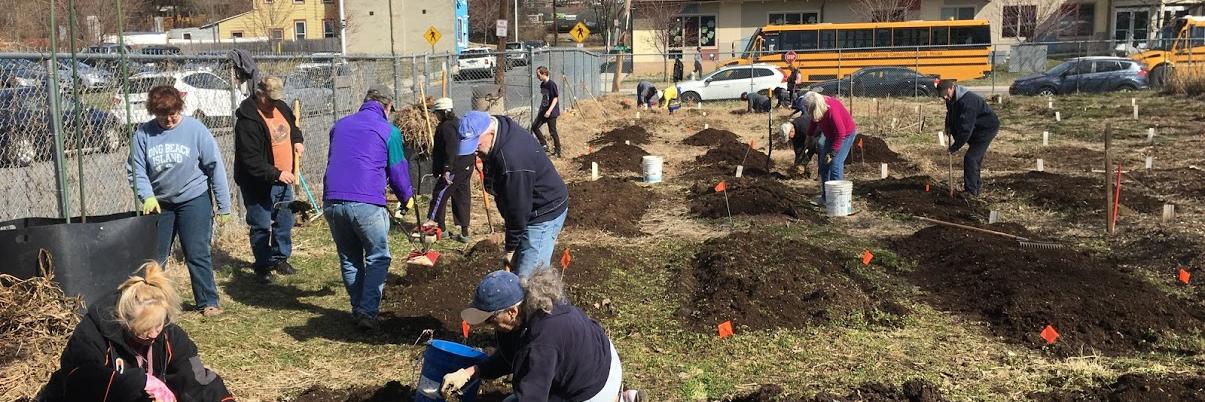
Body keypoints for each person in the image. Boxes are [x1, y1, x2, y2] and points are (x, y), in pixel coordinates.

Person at [41, 261, 235, 402]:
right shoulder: (94, 333)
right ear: (125, 320)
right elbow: (79, 378)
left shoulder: (170, 336)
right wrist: (140, 381)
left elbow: (196, 378)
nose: (153, 334)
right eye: (144, 329)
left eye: (157, 325)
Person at [440, 269, 643, 402]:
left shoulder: (541, 342)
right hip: (597, 355)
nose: (486, 325)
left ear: (511, 312)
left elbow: (532, 397)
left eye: (490, 319)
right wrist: (470, 372)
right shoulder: (531, 308)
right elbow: (509, 356)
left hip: (594, 384)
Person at [127, 85, 231, 317]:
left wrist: (224, 205)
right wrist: (147, 196)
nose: (169, 119)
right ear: (154, 112)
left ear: (179, 109)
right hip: (159, 203)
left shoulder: (195, 130)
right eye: (163, 115)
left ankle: (208, 301)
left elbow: (215, 167)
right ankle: (154, 306)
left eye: (173, 114)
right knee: (155, 257)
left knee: (197, 251)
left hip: (194, 198)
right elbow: (136, 170)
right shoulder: (144, 134)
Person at [323, 86, 415, 330]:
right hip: (365, 202)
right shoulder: (389, 130)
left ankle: (357, 308)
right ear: (386, 107)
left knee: (350, 257)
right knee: (378, 256)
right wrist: (407, 197)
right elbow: (397, 170)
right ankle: (368, 312)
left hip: (332, 200)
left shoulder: (339, 126)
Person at [455, 111, 568, 278]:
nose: (474, 153)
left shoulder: (512, 161)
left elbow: (518, 209)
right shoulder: (500, 128)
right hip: (526, 207)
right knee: (521, 267)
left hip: (544, 212)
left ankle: (536, 302)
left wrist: (511, 248)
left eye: (476, 146)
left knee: (528, 279)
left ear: (490, 133)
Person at [233, 76, 304, 284]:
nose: (274, 103)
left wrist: (298, 141)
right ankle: (263, 265)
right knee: (261, 224)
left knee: (284, 221)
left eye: (277, 99)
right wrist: (277, 173)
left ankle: (280, 258)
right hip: (258, 182)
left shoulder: (280, 107)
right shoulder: (247, 121)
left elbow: (294, 128)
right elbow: (251, 160)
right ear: (260, 94)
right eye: (270, 99)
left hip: (284, 179)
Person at [424, 97, 473, 243]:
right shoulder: (458, 123)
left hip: (454, 167)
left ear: (444, 112)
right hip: (465, 165)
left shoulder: (447, 127)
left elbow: (451, 148)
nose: (436, 116)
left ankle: (432, 227)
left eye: (437, 113)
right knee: (461, 196)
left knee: (439, 195)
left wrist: (446, 169)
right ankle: (464, 233)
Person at [940, 79, 999, 196]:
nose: (945, 97)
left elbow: (966, 130)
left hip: (985, 129)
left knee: (971, 158)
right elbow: (950, 113)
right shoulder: (951, 98)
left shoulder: (968, 102)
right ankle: (976, 188)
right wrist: (948, 127)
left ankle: (971, 192)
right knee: (974, 159)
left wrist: (953, 148)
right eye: (943, 96)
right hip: (975, 127)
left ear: (952, 88)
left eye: (947, 94)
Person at [800, 91, 858, 203]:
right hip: (831, 136)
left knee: (835, 164)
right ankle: (826, 197)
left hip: (846, 135)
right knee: (823, 165)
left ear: (814, 106)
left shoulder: (831, 111)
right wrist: (809, 136)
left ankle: (838, 201)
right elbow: (814, 121)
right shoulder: (817, 110)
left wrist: (832, 153)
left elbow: (841, 133)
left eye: (808, 108)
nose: (807, 110)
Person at [531, 66, 562, 158]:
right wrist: (541, 109)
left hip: (551, 112)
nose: (537, 77)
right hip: (543, 111)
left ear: (544, 74)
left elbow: (555, 99)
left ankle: (558, 150)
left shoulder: (551, 84)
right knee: (535, 126)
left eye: (538, 74)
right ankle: (544, 144)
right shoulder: (542, 85)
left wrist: (549, 110)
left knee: (552, 131)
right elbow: (545, 98)